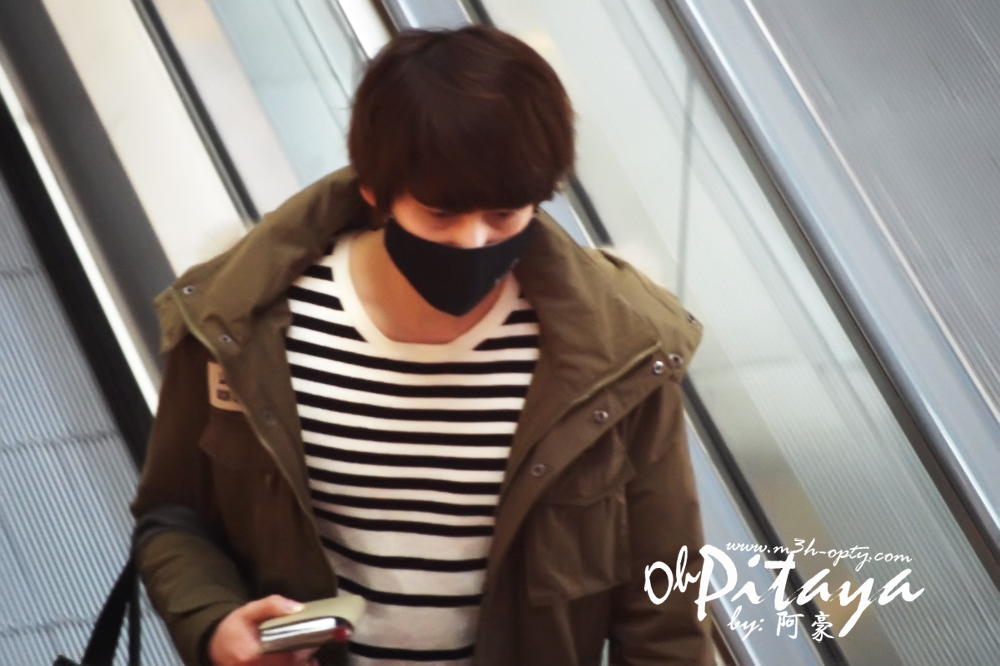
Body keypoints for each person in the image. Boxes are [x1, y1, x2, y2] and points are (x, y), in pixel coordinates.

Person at [131, 25, 710, 666]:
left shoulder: (620, 359)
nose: (473, 241)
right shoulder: (242, 326)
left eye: (504, 213)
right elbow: (174, 515)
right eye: (441, 213)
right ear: (376, 191)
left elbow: (665, 609)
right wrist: (214, 624)